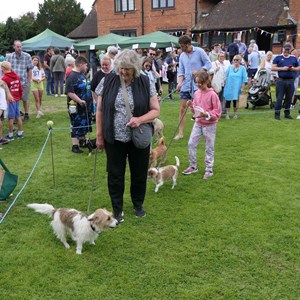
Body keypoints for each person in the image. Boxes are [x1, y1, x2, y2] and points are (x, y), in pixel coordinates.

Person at [95, 49, 160, 223]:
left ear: (135, 68)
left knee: (139, 173)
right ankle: (117, 209)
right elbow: (100, 110)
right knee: (115, 174)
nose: (123, 72)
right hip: (114, 137)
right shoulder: (107, 80)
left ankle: (138, 205)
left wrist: (139, 119)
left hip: (138, 137)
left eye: (127, 69)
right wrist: (99, 135)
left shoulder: (145, 81)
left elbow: (155, 110)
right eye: (121, 68)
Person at [182, 70, 221, 179]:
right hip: (198, 123)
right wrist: (190, 105)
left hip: (209, 125)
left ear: (206, 82)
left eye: (200, 83)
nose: (198, 85)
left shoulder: (213, 94)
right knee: (191, 143)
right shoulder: (196, 93)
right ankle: (193, 166)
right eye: (197, 82)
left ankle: (209, 169)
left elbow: (217, 112)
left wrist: (207, 114)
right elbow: (195, 111)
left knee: (209, 147)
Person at [174, 35, 212, 140]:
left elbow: (209, 64)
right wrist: (179, 83)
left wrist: (200, 71)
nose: (181, 49)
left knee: (198, 110)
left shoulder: (199, 51)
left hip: (198, 85)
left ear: (188, 44)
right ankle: (180, 133)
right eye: (180, 47)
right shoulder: (182, 56)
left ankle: (202, 131)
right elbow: (181, 71)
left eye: (183, 46)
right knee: (182, 109)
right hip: (185, 85)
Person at [65, 56, 93, 153]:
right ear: (80, 64)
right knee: (76, 124)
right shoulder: (71, 76)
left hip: (85, 106)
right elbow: (69, 92)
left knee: (84, 123)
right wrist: (80, 101)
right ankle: (75, 145)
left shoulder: (81, 74)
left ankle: (82, 141)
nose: (86, 67)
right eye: (85, 65)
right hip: (76, 106)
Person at [6, 40, 33, 121]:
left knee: (25, 98)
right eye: (17, 47)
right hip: (13, 83)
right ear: (14, 47)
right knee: (13, 100)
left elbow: (30, 69)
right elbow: (7, 69)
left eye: (20, 46)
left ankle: (26, 114)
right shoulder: (9, 57)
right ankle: (14, 116)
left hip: (24, 81)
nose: (19, 48)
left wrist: (28, 81)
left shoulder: (27, 56)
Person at [272, 44, 300, 120]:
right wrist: (282, 68)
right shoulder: (278, 57)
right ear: (283, 49)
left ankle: (287, 114)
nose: (286, 51)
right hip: (281, 80)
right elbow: (273, 67)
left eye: (287, 50)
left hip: (291, 81)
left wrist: (293, 69)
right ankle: (277, 114)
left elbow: (298, 68)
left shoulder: (293, 58)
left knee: (289, 98)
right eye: (285, 49)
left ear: (289, 50)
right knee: (279, 98)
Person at [1, 61, 24, 140]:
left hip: (10, 100)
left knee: (10, 118)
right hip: (17, 99)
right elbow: (20, 88)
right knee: (18, 116)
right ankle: (20, 133)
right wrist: (20, 96)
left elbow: (3, 91)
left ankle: (10, 135)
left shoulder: (4, 78)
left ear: (3, 68)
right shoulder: (16, 76)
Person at [223, 55, 248, 119]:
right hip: (229, 86)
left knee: (235, 101)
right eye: (234, 60)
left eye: (237, 60)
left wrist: (242, 87)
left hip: (237, 87)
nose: (235, 61)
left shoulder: (242, 68)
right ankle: (227, 114)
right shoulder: (230, 67)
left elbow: (244, 79)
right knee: (228, 101)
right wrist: (223, 83)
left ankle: (235, 114)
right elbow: (225, 76)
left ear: (240, 60)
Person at [0, 80, 12, 145]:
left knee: (0, 124)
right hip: (1, 107)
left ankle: (0, 138)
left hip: (1, 107)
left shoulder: (2, 88)